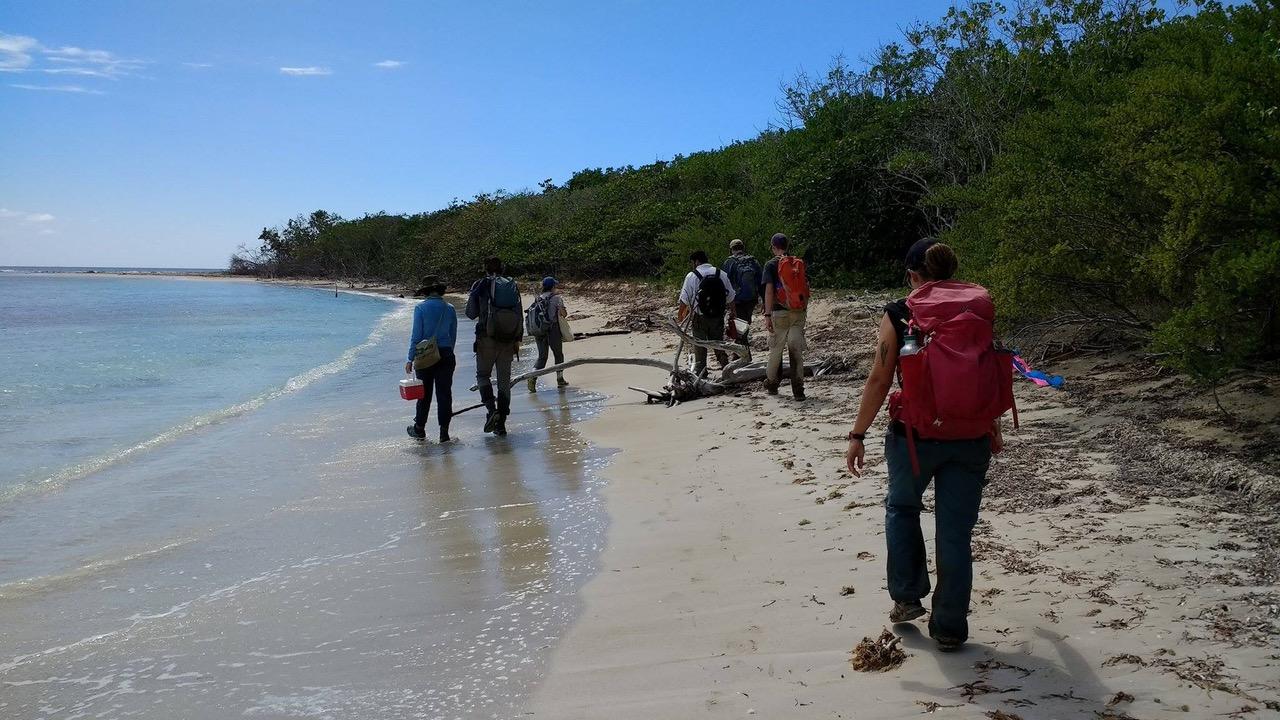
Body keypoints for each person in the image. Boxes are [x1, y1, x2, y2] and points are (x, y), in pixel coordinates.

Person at [844, 239, 1010, 653]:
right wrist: (991, 422)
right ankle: (950, 626)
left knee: (902, 508)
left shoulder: (902, 311)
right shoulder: (978, 306)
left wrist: (857, 434)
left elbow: (880, 378)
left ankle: (906, 597)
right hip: (970, 435)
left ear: (913, 276)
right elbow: (981, 369)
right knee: (955, 532)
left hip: (914, 436)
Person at [465, 257, 524, 436]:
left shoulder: (480, 285)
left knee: (483, 376)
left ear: (485, 269)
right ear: (503, 269)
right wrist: (517, 339)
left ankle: (492, 411)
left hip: (486, 339)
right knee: (504, 382)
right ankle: (502, 424)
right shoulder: (512, 285)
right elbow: (519, 313)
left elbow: (470, 313)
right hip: (508, 340)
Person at [404, 275, 458, 443]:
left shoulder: (420, 308)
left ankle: (419, 428)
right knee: (444, 394)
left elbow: (416, 336)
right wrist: (448, 352)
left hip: (426, 356)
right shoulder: (449, 308)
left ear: (425, 291)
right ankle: (444, 433)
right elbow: (452, 335)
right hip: (446, 354)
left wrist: (410, 358)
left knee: (424, 394)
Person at [762, 233, 809, 400]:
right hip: (798, 312)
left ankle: (772, 384)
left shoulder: (771, 265)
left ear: (773, 247)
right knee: (796, 349)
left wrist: (767, 314)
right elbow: (805, 288)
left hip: (779, 312)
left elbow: (769, 290)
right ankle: (798, 390)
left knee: (776, 349)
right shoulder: (797, 263)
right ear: (787, 246)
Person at [677, 249, 736, 377]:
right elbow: (731, 297)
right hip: (718, 315)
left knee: (699, 345)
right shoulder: (721, 273)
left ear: (696, 261)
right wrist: (733, 313)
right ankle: (726, 368)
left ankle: (701, 372)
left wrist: (680, 316)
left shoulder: (691, 276)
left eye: (693, 262)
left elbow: (684, 299)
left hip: (700, 317)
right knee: (718, 343)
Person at [528, 276, 569, 392]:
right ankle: (560, 379)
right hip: (553, 329)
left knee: (542, 357)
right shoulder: (556, 298)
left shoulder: (538, 298)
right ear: (552, 286)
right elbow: (564, 314)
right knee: (558, 354)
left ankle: (532, 377)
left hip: (540, 330)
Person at [721, 238, 762, 345]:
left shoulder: (729, 262)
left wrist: (725, 301)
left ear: (731, 250)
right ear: (743, 248)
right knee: (745, 322)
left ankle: (742, 352)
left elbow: (725, 281)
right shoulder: (753, 261)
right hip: (752, 298)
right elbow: (760, 281)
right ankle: (741, 350)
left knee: (740, 324)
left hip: (737, 299)